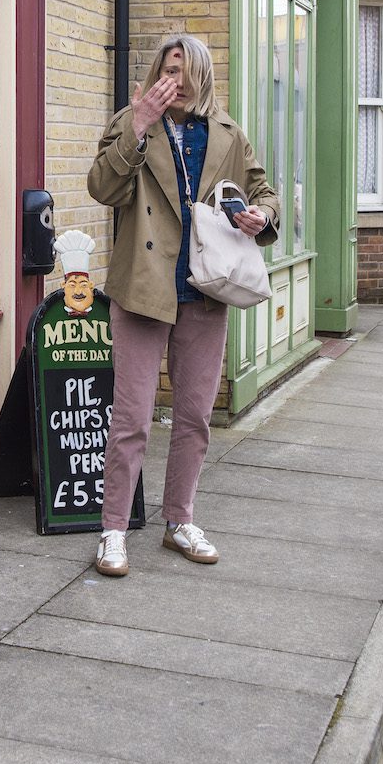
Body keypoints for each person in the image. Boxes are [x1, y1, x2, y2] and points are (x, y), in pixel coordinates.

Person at [86, 34, 278, 578]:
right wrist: (138, 125)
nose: (175, 79)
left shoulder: (226, 133)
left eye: (184, 69)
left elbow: (264, 192)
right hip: (144, 288)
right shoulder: (132, 120)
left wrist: (261, 216)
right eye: (167, 68)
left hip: (204, 288)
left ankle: (179, 522)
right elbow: (101, 186)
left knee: (194, 417)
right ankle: (113, 531)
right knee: (131, 418)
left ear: (201, 75)